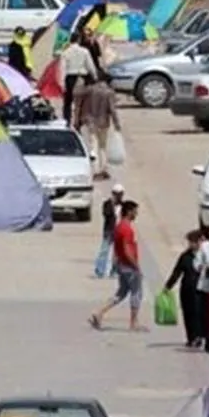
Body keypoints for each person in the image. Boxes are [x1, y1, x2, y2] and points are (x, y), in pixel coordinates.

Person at [89, 200, 144, 331]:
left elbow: (117, 247)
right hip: (129, 265)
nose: (136, 214)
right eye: (135, 211)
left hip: (121, 264)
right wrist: (135, 265)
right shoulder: (126, 229)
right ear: (129, 212)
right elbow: (126, 248)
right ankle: (133, 322)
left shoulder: (119, 227)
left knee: (121, 293)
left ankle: (99, 312)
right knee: (137, 292)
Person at [74, 73, 121, 180]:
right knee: (102, 147)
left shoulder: (89, 90)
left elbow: (77, 100)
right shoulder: (109, 93)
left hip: (89, 122)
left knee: (92, 146)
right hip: (103, 122)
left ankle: (94, 170)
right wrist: (117, 124)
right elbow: (112, 110)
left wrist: (76, 120)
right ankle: (103, 169)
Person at [164, 229, 205, 348]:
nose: (191, 244)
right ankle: (191, 337)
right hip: (186, 289)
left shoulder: (204, 256)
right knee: (188, 313)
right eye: (190, 242)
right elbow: (177, 272)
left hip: (200, 289)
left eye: (193, 241)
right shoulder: (185, 256)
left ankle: (199, 336)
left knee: (198, 313)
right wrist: (168, 286)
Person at [58, 37, 96, 125]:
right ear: (78, 40)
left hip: (70, 78)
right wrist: (94, 76)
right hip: (82, 77)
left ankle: (67, 120)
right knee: (81, 101)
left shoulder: (65, 52)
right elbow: (90, 65)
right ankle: (79, 120)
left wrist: (62, 82)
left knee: (67, 102)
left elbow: (62, 68)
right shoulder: (84, 51)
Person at [94, 184, 124, 278]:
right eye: (116, 194)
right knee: (104, 250)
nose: (118, 196)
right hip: (109, 230)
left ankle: (114, 271)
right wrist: (113, 206)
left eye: (120, 194)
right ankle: (100, 270)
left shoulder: (123, 205)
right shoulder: (107, 204)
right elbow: (106, 214)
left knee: (117, 253)